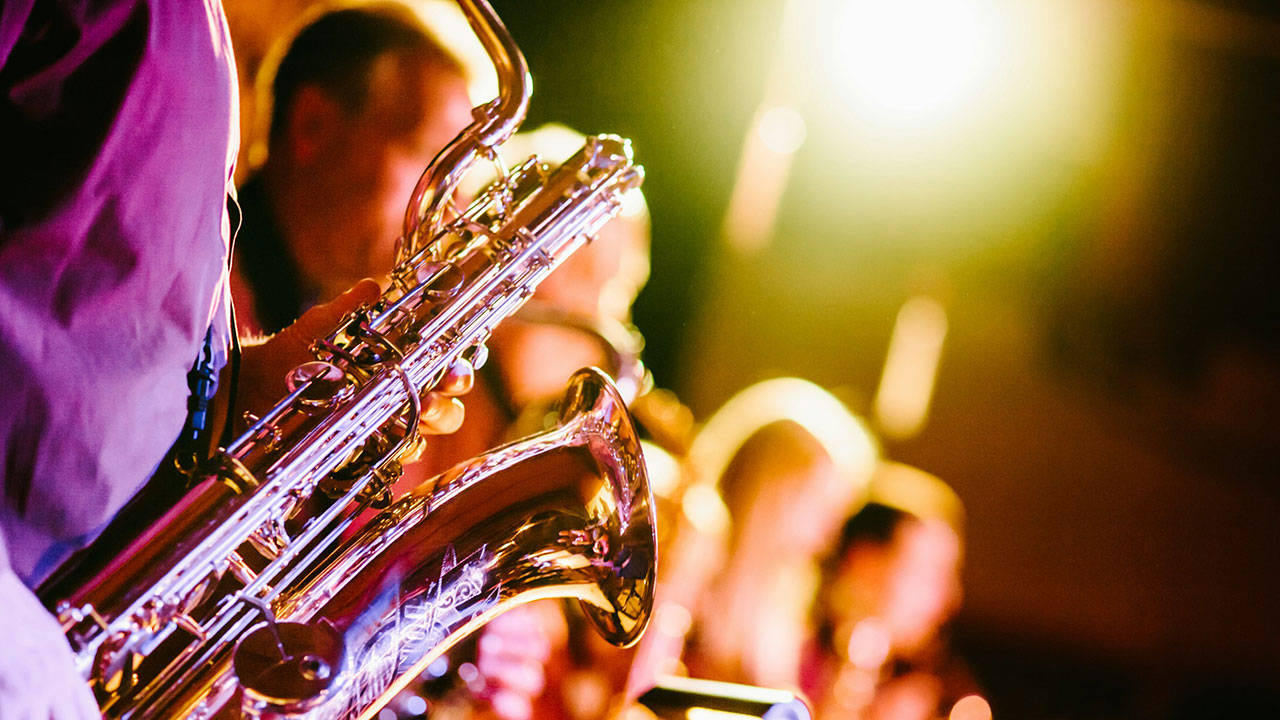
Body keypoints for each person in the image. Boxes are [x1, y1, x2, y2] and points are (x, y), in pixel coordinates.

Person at [0, 1, 469, 716]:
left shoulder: (198, 37)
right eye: (429, 164)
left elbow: (99, 350)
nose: (445, 214)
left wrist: (247, 388)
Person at [230, 0, 475, 337]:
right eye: (431, 157)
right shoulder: (190, 295)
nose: (454, 203)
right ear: (312, 125)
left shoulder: (296, 301)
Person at [801, 462, 979, 720]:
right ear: (864, 563)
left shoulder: (920, 683)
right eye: (930, 573)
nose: (950, 599)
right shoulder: (788, 665)